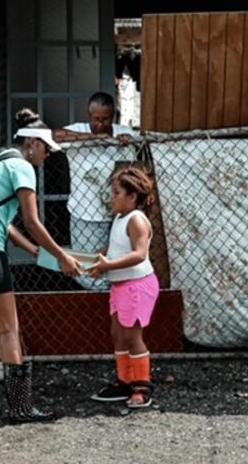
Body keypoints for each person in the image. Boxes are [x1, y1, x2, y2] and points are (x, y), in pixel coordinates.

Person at [0, 109, 84, 424]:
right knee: (10, 328)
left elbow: (2, 221)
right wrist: (61, 256)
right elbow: (33, 222)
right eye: (47, 149)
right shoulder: (23, 167)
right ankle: (20, 408)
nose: (48, 156)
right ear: (33, 143)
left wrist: (34, 251)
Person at [88, 167, 160, 408]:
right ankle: (124, 381)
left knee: (132, 336)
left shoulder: (137, 220)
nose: (112, 197)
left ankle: (142, 385)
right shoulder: (120, 218)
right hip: (120, 286)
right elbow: (112, 248)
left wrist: (108, 265)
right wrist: (96, 262)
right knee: (117, 334)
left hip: (137, 285)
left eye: (117, 193)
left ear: (132, 197)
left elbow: (139, 254)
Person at [53, 92, 138, 290]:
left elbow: (137, 143)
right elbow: (53, 135)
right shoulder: (78, 130)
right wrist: (92, 138)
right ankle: (99, 299)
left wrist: (125, 139)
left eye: (105, 119)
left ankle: (113, 300)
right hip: (86, 215)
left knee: (117, 264)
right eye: (96, 119)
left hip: (119, 214)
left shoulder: (121, 132)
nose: (100, 123)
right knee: (88, 270)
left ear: (113, 116)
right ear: (89, 115)